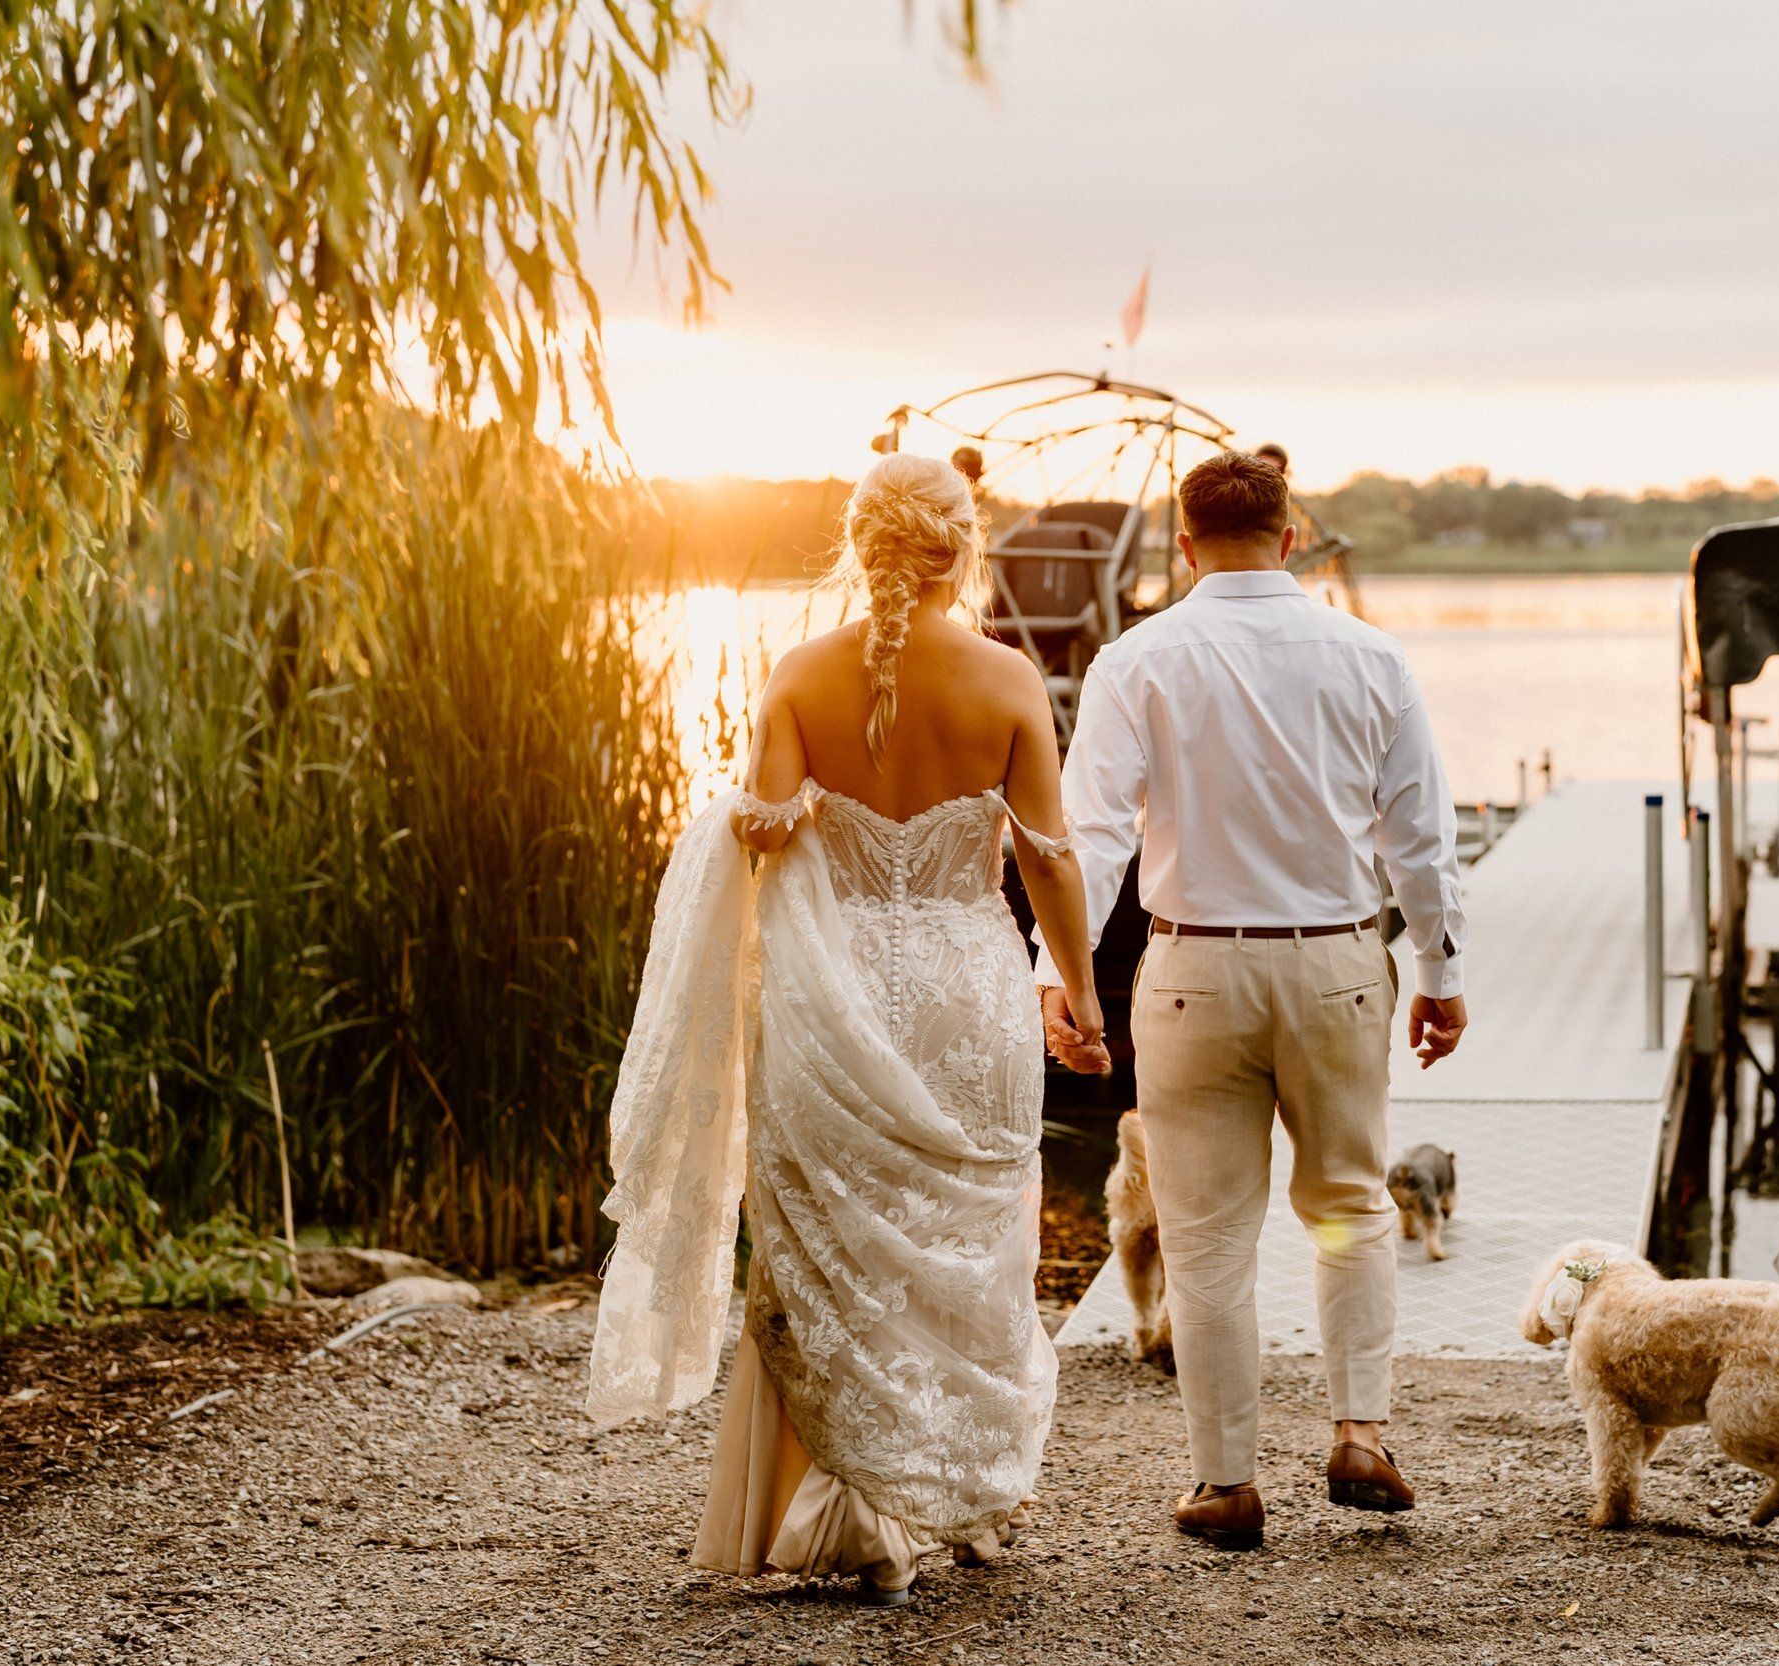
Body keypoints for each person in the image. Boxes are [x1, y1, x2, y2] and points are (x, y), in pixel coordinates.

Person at [585, 454, 1108, 1606]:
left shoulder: (798, 676)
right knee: (968, 1241)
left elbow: (762, 835)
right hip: (968, 989)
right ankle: (937, 1492)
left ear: (860, 544)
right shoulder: (1011, 679)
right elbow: (1049, 856)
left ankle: (845, 1500)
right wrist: (1078, 989)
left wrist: (798, 807)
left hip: (834, 993)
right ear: (962, 549)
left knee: (832, 1237)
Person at [1032, 450, 1470, 1552]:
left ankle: (1225, 1483)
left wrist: (1063, 980)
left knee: (1206, 1233)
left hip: (1190, 973)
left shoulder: (1140, 657)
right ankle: (1359, 1431)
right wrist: (1441, 974)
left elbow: (1088, 834)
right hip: (1332, 961)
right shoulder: (1371, 655)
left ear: (1184, 546)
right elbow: (1418, 835)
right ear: (1289, 538)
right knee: (1352, 1204)